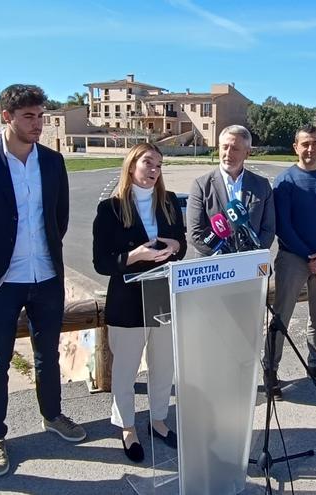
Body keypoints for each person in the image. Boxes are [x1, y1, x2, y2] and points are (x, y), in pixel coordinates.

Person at [0, 84, 85, 477]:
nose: (38, 123)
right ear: (6, 117)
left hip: (45, 275)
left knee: (48, 355)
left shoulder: (53, 162)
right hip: (0, 280)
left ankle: (53, 415)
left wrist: (42, 252)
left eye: (41, 116)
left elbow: (59, 218)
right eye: (29, 116)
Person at [93, 143, 186, 462]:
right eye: (148, 162)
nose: (154, 169)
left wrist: (174, 245)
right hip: (127, 297)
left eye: (159, 164)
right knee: (126, 369)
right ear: (132, 164)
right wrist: (135, 256)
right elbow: (102, 262)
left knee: (163, 364)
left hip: (161, 293)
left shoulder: (170, 202)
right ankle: (127, 426)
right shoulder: (110, 208)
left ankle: (159, 420)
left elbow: (181, 244)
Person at [264, 124, 316, 397]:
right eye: (306, 144)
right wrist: (310, 258)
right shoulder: (285, 180)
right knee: (281, 318)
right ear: (296, 147)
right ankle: (271, 370)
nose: (311, 149)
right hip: (293, 259)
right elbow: (283, 226)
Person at [187, 125, 275, 255]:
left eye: (234, 148)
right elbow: (195, 234)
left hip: (250, 264)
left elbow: (268, 229)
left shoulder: (262, 185)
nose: (228, 153)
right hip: (214, 266)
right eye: (225, 147)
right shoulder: (200, 185)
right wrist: (228, 260)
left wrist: (251, 255)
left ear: (247, 153)